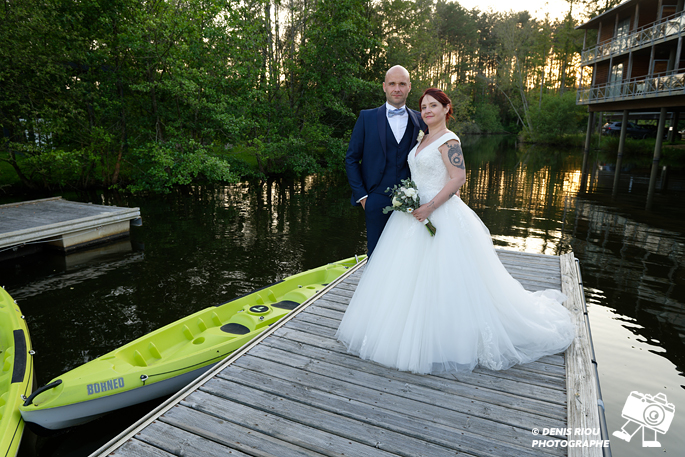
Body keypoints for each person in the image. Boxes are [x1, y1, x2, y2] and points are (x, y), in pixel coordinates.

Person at [336, 88, 575, 375]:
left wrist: (430, 207)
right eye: (423, 106)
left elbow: (458, 177)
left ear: (446, 108)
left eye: (433, 105)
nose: (426, 110)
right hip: (411, 215)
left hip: (438, 212)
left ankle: (443, 339)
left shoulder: (450, 140)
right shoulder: (423, 138)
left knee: (445, 278)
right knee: (405, 278)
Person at [345, 65, 427, 256]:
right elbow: (351, 159)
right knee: (375, 254)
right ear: (384, 86)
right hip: (375, 199)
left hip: (412, 201)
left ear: (409, 87)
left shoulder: (421, 120)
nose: (396, 88)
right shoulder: (367, 117)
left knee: (408, 255)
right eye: (392, 84)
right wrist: (363, 197)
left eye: (402, 84)